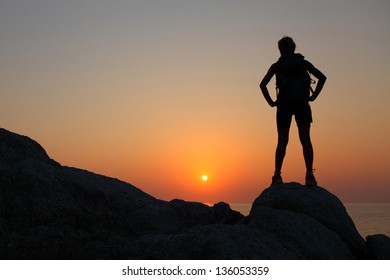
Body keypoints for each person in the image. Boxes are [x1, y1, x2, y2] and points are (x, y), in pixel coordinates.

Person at [259, 36, 326, 186]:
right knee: (305, 139)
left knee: (282, 141)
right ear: (293, 48)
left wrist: (271, 102)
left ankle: (277, 175)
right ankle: (309, 175)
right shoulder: (303, 63)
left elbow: (262, 85)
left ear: (280, 49)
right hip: (302, 104)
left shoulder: (277, 65)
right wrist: (313, 96)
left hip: (283, 106)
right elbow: (322, 77)